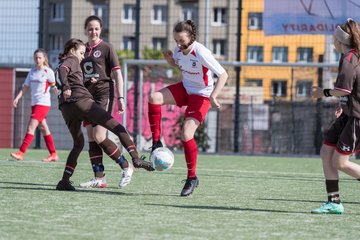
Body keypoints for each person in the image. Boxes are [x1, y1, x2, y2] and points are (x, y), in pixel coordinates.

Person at [55, 38, 154, 191]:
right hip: (81, 102)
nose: (82, 56)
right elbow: (64, 70)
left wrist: (84, 83)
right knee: (115, 126)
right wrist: (68, 87)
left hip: (66, 108)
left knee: (79, 144)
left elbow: (64, 75)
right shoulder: (72, 59)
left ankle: (64, 181)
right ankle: (135, 158)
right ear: (72, 50)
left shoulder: (63, 62)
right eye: (81, 53)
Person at [148, 20, 228, 197]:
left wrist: (214, 96)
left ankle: (192, 178)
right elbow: (181, 65)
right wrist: (171, 61)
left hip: (201, 96)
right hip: (185, 88)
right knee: (154, 97)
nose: (178, 44)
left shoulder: (201, 51)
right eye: (176, 40)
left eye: (181, 40)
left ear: (192, 37)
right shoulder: (178, 49)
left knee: (186, 135)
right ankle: (156, 142)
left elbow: (223, 74)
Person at [311, 18, 360, 214]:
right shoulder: (347, 56)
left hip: (357, 118)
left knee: (340, 162)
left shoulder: (350, 61)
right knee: (326, 153)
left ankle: (334, 202)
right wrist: (341, 105)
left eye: (334, 37)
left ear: (340, 40)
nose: (332, 40)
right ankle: (334, 201)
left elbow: (343, 90)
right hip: (348, 114)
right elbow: (350, 91)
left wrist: (322, 93)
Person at [79, 15, 129, 189]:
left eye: (96, 28)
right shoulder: (81, 49)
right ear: (85, 30)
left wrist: (121, 97)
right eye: (90, 28)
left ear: (100, 30)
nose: (93, 31)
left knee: (100, 136)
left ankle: (126, 167)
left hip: (103, 95)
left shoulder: (107, 48)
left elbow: (117, 74)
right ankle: (99, 178)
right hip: (87, 97)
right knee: (92, 137)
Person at [10, 48, 59, 162]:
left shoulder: (48, 72)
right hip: (34, 104)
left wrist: (59, 93)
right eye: (36, 58)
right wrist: (17, 98)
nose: (37, 59)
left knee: (31, 127)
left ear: (44, 59)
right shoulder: (32, 72)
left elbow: (54, 86)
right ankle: (53, 154)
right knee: (43, 128)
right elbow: (25, 88)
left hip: (43, 104)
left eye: (39, 58)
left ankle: (21, 152)